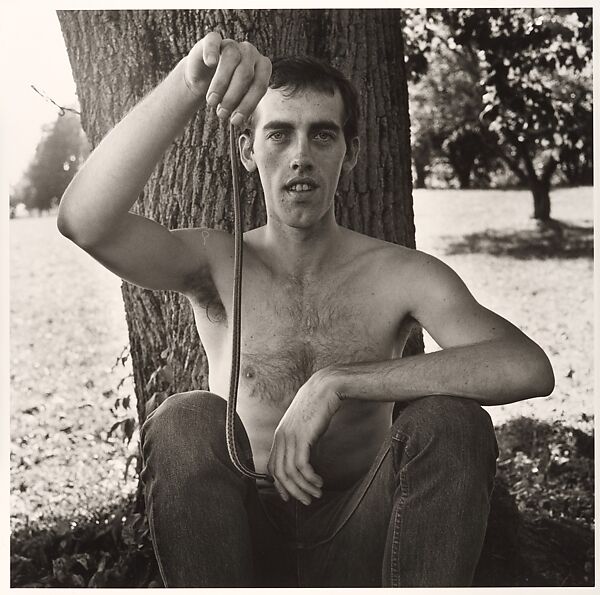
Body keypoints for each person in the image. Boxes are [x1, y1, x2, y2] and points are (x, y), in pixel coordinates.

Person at [57, 32, 555, 588]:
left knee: (452, 422)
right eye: (279, 134)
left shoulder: (402, 275)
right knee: (183, 418)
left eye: (322, 135)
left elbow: (527, 366)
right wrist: (191, 82)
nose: (300, 157)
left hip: (362, 532)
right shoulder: (216, 262)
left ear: (351, 150)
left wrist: (337, 382)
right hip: (238, 539)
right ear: (248, 151)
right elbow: (85, 222)